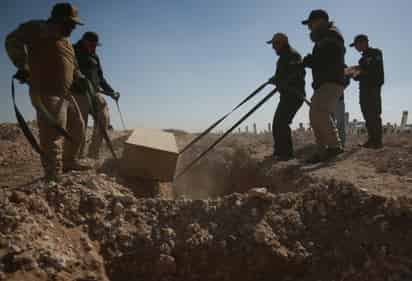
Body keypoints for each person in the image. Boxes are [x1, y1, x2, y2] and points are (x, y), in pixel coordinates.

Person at [5, 2, 91, 181]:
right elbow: (12, 40)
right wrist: (23, 65)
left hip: (66, 93)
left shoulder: (66, 41)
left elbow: (72, 64)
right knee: (53, 135)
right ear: (59, 20)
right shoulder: (37, 28)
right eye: (71, 23)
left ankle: (69, 161)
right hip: (46, 91)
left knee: (78, 128)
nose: (74, 28)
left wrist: (80, 78)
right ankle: (53, 176)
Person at [301, 9, 346, 163]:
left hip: (332, 81)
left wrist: (310, 61)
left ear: (320, 21)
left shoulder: (331, 35)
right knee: (315, 115)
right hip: (325, 82)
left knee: (319, 112)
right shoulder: (326, 36)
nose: (309, 28)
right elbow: (323, 57)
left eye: (310, 24)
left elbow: (327, 59)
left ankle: (334, 147)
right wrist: (311, 60)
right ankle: (321, 151)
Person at [73, 31, 120, 159]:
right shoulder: (72, 50)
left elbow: (100, 77)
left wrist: (111, 92)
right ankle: (77, 157)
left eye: (95, 45)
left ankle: (93, 154)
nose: (94, 47)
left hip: (94, 93)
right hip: (78, 93)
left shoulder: (95, 56)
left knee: (104, 118)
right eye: (92, 44)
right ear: (84, 41)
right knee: (79, 126)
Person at [266, 33, 305, 161]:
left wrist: (281, 81)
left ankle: (285, 154)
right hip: (287, 95)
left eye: (275, 44)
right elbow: (283, 74)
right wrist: (275, 79)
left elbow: (299, 72)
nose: (273, 47)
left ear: (282, 43)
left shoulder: (292, 55)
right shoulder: (284, 56)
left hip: (294, 94)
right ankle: (280, 152)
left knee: (281, 122)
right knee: (278, 123)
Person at [350, 34, 384, 149]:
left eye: (356, 45)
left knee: (374, 113)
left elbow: (374, 70)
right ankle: (372, 139)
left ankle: (377, 141)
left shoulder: (376, 53)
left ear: (363, 42)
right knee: (367, 113)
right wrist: (354, 74)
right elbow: (361, 74)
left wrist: (359, 72)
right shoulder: (362, 59)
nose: (356, 48)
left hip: (373, 87)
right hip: (364, 88)